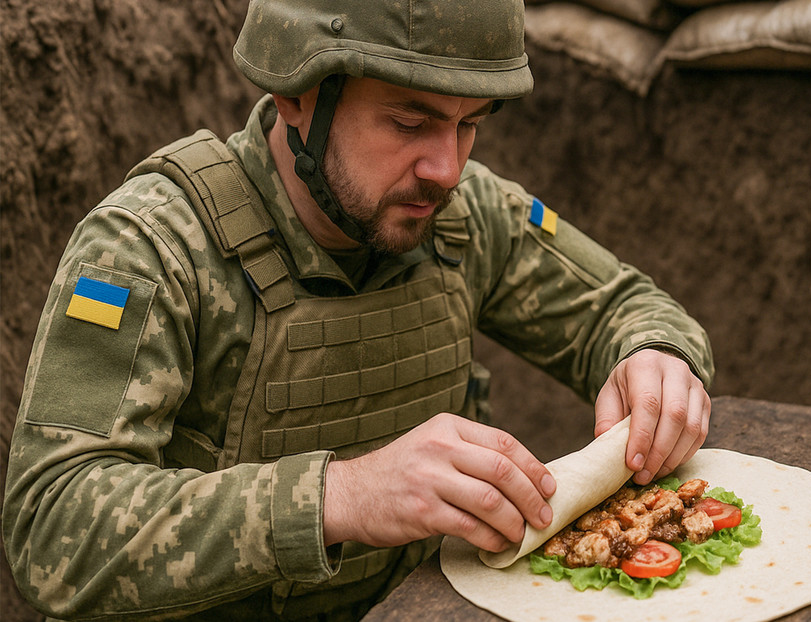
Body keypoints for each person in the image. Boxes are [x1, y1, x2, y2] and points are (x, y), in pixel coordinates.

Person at [3, 0, 714, 619]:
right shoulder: (154, 248)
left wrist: (655, 357)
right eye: (410, 121)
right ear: (297, 94)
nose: (447, 168)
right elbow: (53, 526)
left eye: (470, 125)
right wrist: (342, 496)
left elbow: (626, 306)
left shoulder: (464, 218)